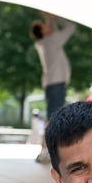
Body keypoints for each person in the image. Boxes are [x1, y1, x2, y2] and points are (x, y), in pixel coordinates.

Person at [30, 12, 75, 164]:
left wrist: (49, 17)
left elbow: (53, 29)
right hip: (56, 83)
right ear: (43, 32)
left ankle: (46, 150)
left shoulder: (46, 41)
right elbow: (71, 27)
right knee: (52, 120)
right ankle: (45, 151)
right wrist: (56, 18)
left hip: (52, 83)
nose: (48, 25)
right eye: (45, 25)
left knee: (52, 118)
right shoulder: (51, 40)